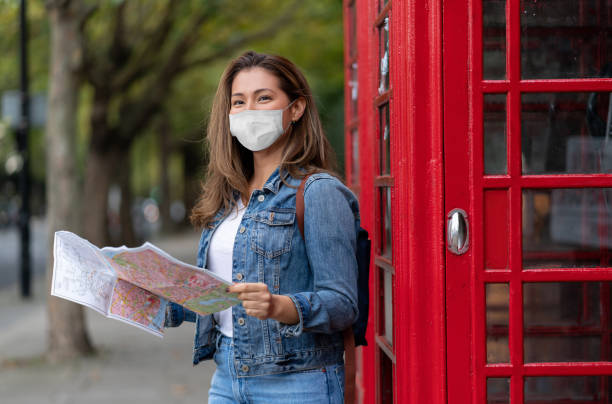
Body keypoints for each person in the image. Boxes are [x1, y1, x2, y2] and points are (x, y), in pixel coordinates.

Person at [165, 50, 360, 404]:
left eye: (264, 98)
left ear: (296, 108)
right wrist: (158, 298)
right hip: (227, 377)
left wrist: (279, 306)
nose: (250, 110)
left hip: (297, 382)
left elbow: (343, 303)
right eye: (238, 102)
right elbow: (222, 302)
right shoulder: (228, 200)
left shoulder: (318, 192)